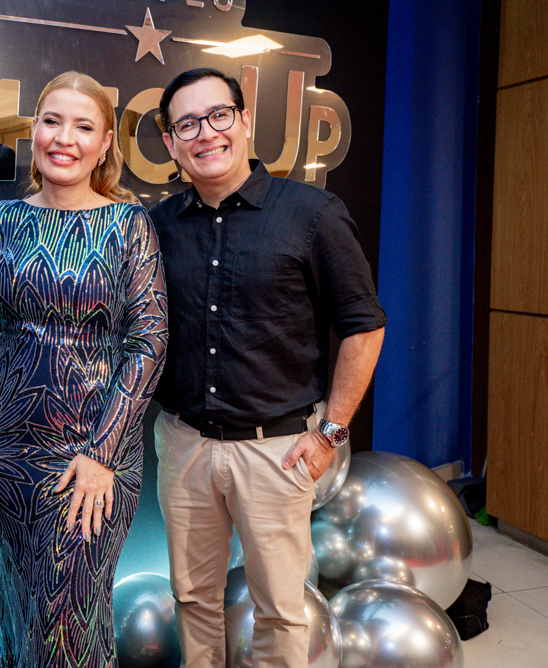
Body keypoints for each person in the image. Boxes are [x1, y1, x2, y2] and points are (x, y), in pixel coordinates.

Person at [148, 68, 386, 668]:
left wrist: (330, 431)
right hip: (186, 445)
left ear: (245, 120)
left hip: (277, 450)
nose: (206, 133)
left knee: (281, 607)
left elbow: (364, 325)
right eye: (187, 124)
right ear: (172, 143)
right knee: (192, 596)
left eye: (219, 115)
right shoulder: (158, 227)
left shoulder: (311, 214)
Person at [0, 71, 167, 667]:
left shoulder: (129, 225)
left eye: (84, 126)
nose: (65, 138)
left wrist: (102, 453)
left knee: (71, 618)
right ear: (33, 133)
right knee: (25, 606)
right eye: (52, 122)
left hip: (93, 457)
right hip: (11, 452)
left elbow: (149, 340)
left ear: (106, 143)